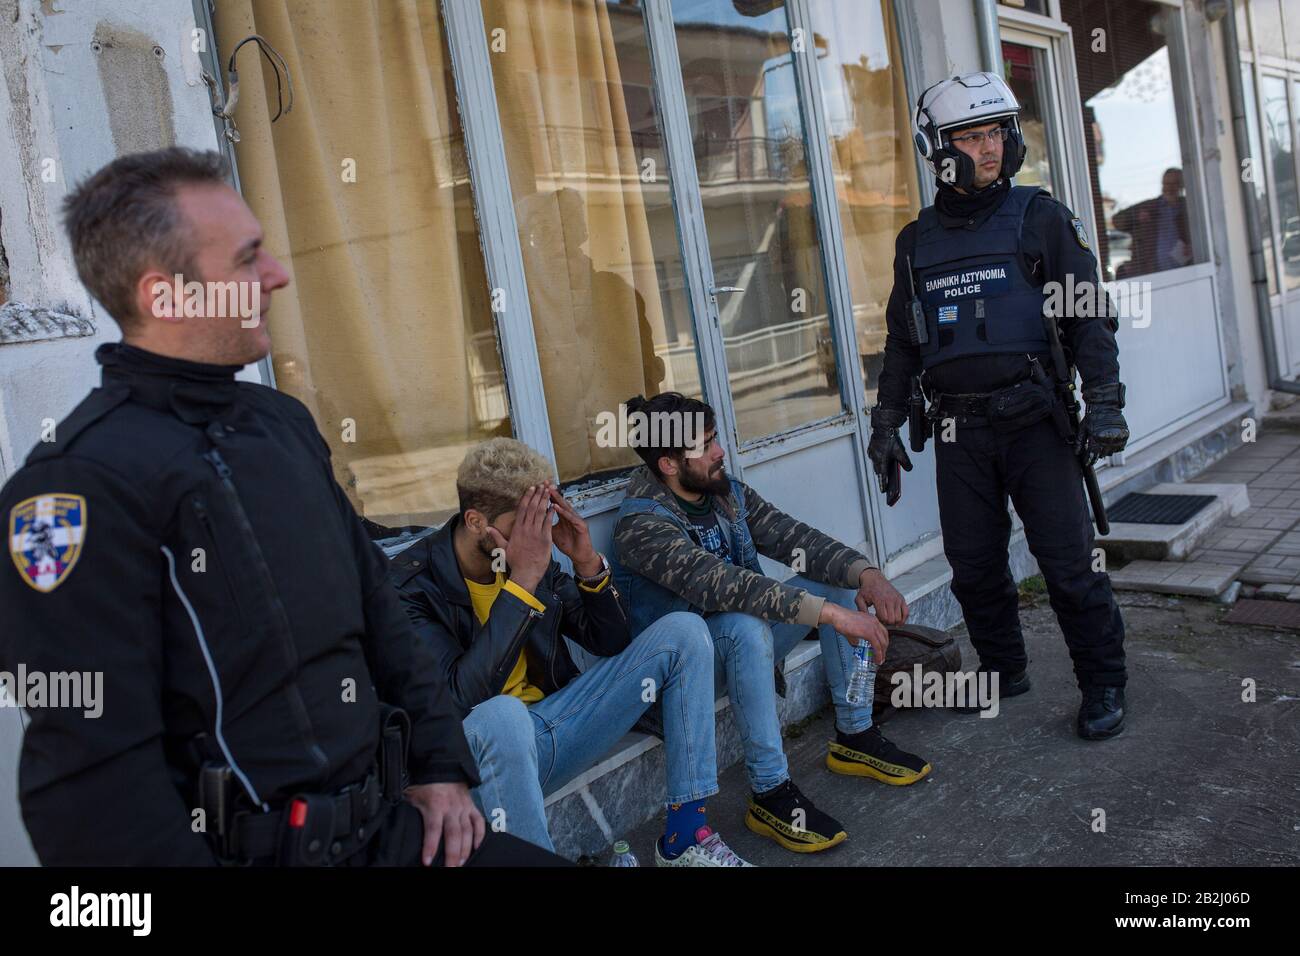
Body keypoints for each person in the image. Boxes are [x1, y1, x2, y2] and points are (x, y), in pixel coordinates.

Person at [0, 147, 563, 866]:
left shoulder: (283, 427)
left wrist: (440, 764)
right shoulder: (70, 493)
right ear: (163, 295)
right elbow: (89, 793)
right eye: (247, 258)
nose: (278, 274)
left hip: (386, 831)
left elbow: (381, 613)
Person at [868, 72, 1130, 740]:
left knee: (1070, 568)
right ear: (938, 147)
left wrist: (1104, 401)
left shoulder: (1041, 217)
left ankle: (1102, 684)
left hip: (1034, 422)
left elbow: (1089, 315)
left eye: (995, 134)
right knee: (974, 568)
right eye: (970, 137)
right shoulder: (914, 242)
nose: (987, 149)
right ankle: (1005, 669)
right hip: (957, 429)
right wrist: (887, 420)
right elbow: (902, 340)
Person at [391, 437, 750, 866]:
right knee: (503, 715)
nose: (536, 535)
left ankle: (685, 838)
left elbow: (610, 642)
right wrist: (522, 584)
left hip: (552, 728)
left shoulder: (529, 556)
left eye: (542, 518)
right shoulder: (411, 587)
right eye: (521, 523)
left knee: (684, 632)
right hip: (480, 761)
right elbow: (457, 700)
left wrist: (586, 564)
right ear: (474, 520)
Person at [611, 392, 931, 855]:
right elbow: (725, 586)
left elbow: (794, 536)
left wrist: (867, 573)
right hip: (686, 676)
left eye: (714, 437)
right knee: (745, 622)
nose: (719, 451)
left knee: (836, 584)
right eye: (704, 445)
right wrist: (832, 617)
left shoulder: (723, 493)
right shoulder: (641, 525)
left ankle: (856, 733)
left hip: (743, 648)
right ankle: (770, 792)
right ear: (667, 463)